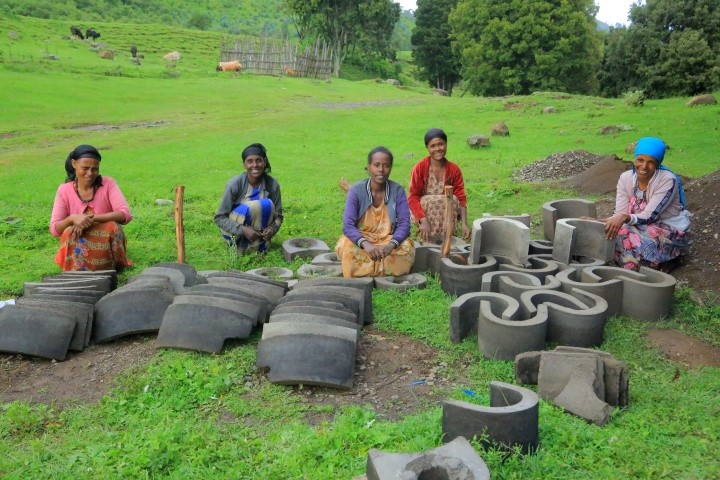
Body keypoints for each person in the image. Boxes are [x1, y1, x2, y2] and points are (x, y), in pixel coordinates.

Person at [600, 137, 690, 272]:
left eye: (651, 162)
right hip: (636, 225)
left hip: (667, 231)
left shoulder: (667, 180)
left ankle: (665, 260)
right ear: (635, 159)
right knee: (606, 230)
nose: (644, 167)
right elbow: (620, 214)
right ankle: (636, 263)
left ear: (658, 163)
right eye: (640, 160)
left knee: (622, 233)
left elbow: (649, 216)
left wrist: (623, 218)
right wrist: (599, 222)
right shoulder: (626, 178)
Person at [335, 146, 415, 278]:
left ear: (390, 168)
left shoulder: (398, 190)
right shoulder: (356, 190)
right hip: (362, 239)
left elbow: (404, 225)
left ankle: (364, 270)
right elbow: (348, 226)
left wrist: (391, 245)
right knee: (346, 247)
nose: (381, 170)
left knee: (407, 248)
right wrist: (366, 245)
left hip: (388, 240)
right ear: (369, 167)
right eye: (376, 165)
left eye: (386, 166)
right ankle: (383, 269)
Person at [50, 144, 133, 271]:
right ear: (74, 164)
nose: (90, 173)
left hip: (106, 238)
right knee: (68, 232)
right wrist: (72, 219)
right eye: (85, 168)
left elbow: (125, 215)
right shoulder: (64, 190)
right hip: (80, 237)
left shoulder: (108, 184)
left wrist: (90, 218)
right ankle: (77, 268)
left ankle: (110, 266)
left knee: (113, 227)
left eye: (95, 169)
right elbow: (55, 229)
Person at [215, 143, 283, 254]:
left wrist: (271, 229)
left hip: (259, 231)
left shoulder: (272, 184)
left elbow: (278, 216)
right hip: (234, 232)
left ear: (264, 162)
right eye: (250, 161)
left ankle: (258, 246)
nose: (255, 165)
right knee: (262, 204)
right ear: (244, 164)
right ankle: (241, 247)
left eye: (259, 160)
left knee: (267, 205)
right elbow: (219, 218)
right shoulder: (235, 184)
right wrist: (242, 229)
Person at [408, 128, 471, 244]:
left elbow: (461, 198)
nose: (437, 149)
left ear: (446, 145)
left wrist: (464, 224)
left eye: (440, 144)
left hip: (447, 212)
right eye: (433, 146)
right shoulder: (420, 168)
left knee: (453, 199)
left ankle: (448, 240)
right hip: (425, 212)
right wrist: (423, 221)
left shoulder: (454, 169)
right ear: (427, 148)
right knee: (430, 201)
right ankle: (428, 241)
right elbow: (412, 197)